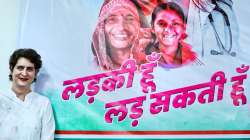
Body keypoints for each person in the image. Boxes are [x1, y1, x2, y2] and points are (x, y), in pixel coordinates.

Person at [0, 48, 55, 140]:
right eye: (20, 68)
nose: (24, 73)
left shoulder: (43, 104)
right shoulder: (1, 98)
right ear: (11, 69)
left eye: (29, 69)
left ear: (36, 73)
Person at [92, 0, 142, 70]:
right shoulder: (89, 67)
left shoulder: (154, 65)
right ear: (101, 27)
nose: (121, 27)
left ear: (139, 26)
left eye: (130, 19)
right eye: (112, 19)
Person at [146, 2, 199, 68]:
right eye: (161, 23)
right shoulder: (142, 58)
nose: (168, 29)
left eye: (175, 24)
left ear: (183, 27)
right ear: (153, 27)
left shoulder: (195, 58)